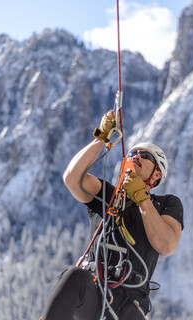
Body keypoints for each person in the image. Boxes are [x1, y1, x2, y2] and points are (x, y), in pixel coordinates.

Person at [41, 110, 183, 320]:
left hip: (130, 302)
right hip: (95, 290)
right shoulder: (108, 196)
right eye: (133, 154)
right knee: (74, 277)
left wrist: (141, 197)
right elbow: (72, 178)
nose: (136, 157)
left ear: (156, 175)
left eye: (144, 156)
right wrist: (101, 137)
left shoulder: (166, 204)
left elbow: (166, 244)